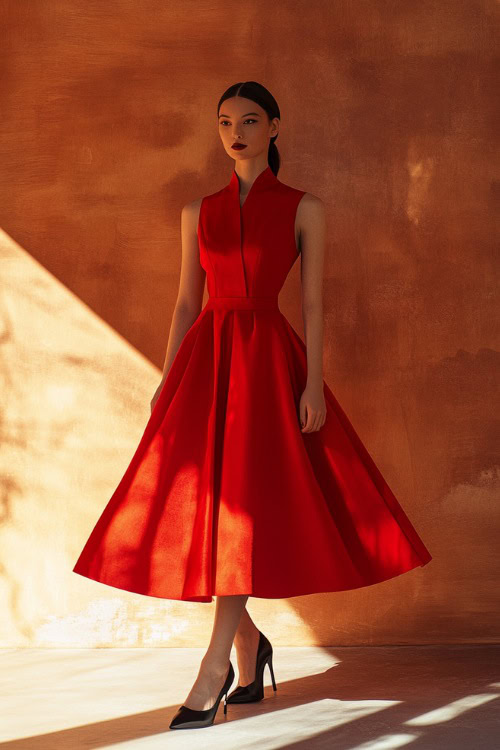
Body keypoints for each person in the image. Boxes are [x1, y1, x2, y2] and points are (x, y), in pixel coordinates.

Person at [72, 81, 432, 730]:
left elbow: (315, 305)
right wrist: (164, 378)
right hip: (206, 363)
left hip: (268, 365)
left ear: (274, 127)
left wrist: (313, 384)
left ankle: (214, 668)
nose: (235, 132)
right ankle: (247, 644)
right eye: (224, 123)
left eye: (248, 120)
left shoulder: (304, 208)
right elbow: (186, 303)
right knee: (204, 516)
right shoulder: (197, 212)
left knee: (239, 515)